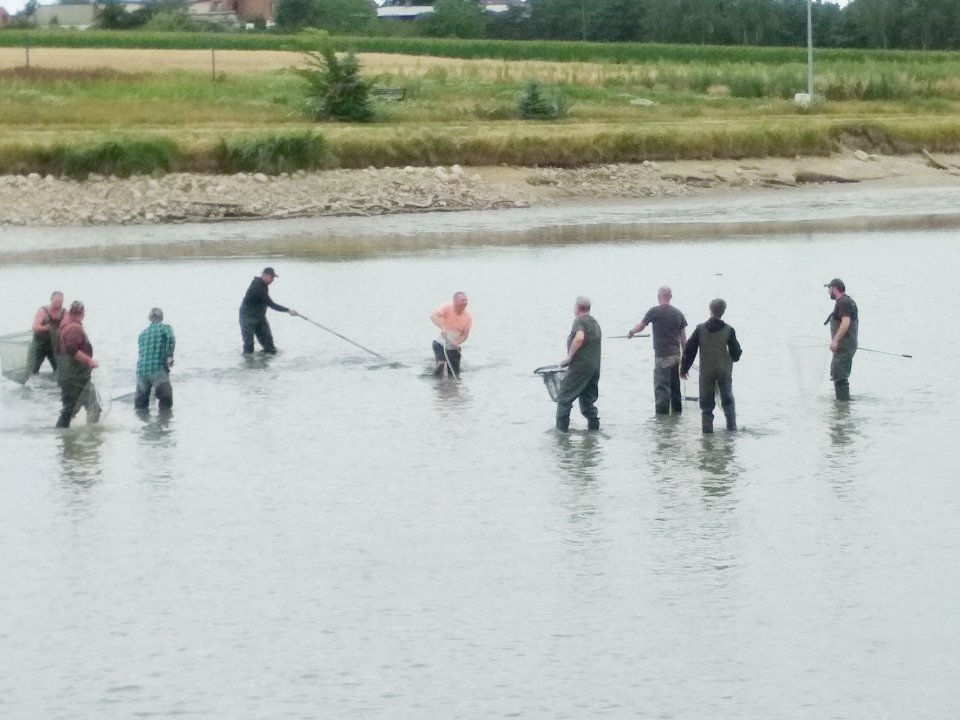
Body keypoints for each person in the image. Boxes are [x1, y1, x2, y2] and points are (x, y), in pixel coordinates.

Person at [681, 298, 742, 434]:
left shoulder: (700, 329)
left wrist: (683, 369)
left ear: (710, 310)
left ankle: (707, 436)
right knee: (728, 404)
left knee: (706, 407)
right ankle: (731, 433)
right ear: (723, 311)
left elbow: (690, 350)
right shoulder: (729, 330)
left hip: (706, 372)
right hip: (724, 372)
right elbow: (736, 355)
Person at [627, 286, 688, 415]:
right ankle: (677, 416)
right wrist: (685, 363)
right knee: (675, 388)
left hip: (662, 357)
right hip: (676, 357)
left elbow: (641, 326)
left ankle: (662, 421)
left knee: (662, 389)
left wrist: (632, 332)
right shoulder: (679, 313)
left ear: (658, 296)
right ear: (670, 297)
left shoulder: (654, 311)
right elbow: (684, 340)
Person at [556, 296, 602, 432]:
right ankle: (594, 432)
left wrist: (569, 356)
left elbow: (580, 337)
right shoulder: (595, 323)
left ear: (577, 308)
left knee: (564, 398)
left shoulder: (579, 321)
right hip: (594, 369)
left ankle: (561, 436)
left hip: (580, 368)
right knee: (587, 403)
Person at [55, 301, 99, 429]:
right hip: (76, 378)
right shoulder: (74, 328)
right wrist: (89, 360)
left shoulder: (65, 326)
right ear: (82, 313)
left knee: (71, 409)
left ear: (70, 312)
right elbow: (71, 349)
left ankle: (63, 438)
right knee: (90, 407)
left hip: (71, 377)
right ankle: (91, 435)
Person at [239, 267, 297, 355]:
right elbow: (271, 304)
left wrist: (287, 310)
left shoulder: (263, 285)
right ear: (264, 275)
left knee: (270, 347)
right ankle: (248, 366)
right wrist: (288, 310)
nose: (273, 280)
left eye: (273, 278)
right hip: (247, 317)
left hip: (260, 317)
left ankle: (265, 365)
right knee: (249, 345)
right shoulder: (257, 287)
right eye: (271, 277)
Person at [135, 307, 176, 411]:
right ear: (161, 318)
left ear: (150, 318)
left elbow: (142, 353)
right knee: (166, 402)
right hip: (158, 370)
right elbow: (170, 338)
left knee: (141, 406)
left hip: (141, 372)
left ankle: (142, 425)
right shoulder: (165, 328)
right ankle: (164, 424)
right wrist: (170, 356)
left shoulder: (142, 334)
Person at [824, 278, 858, 401]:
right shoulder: (846, 301)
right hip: (846, 345)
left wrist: (835, 340)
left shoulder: (843, 302)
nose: (828, 292)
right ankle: (842, 409)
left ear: (835, 288)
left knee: (840, 376)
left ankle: (842, 408)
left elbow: (846, 322)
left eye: (829, 288)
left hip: (845, 346)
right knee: (839, 375)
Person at [430, 291, 472, 377]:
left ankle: (453, 385)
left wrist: (457, 342)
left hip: (454, 347)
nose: (465, 302)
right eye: (462, 300)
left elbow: (465, 334)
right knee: (441, 364)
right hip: (440, 343)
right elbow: (433, 316)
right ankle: (437, 379)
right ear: (455, 301)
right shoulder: (447, 308)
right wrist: (443, 327)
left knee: (455, 374)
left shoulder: (468, 316)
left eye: (466, 300)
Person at [30, 291, 65, 374]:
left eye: (60, 302)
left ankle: (55, 385)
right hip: (39, 345)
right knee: (33, 370)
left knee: (59, 370)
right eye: (56, 302)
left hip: (54, 346)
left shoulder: (64, 312)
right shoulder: (43, 311)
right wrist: (47, 328)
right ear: (51, 300)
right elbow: (34, 327)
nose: (58, 305)